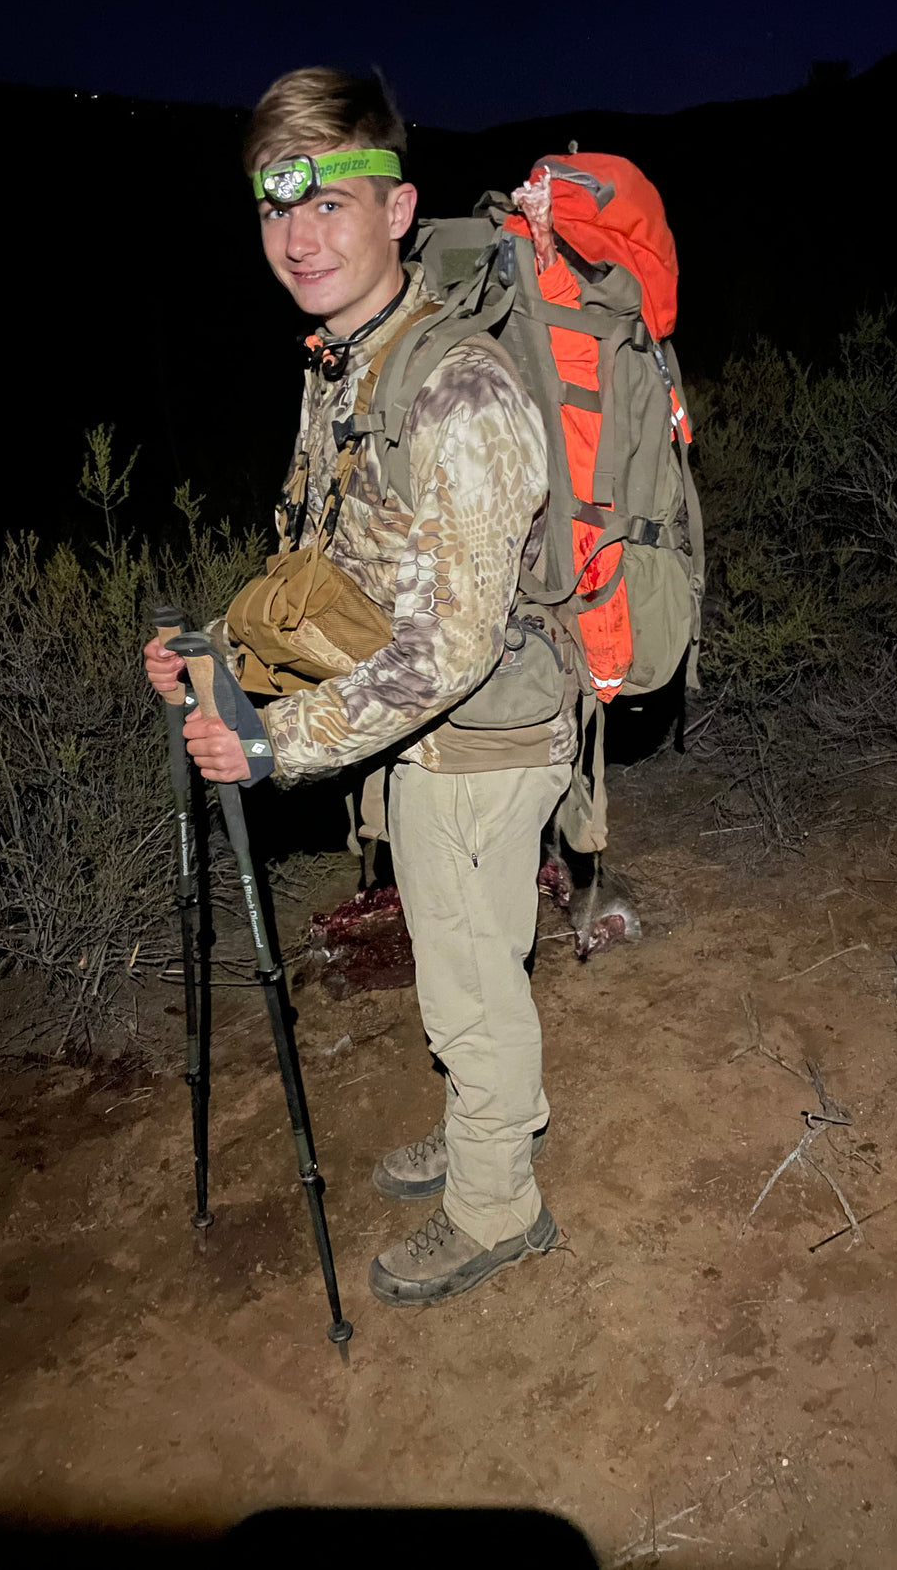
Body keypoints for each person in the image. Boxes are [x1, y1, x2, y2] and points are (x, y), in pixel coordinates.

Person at [144, 68, 577, 1307]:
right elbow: (329, 556)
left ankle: (499, 1203)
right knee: (468, 960)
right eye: (278, 210)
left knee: (467, 972)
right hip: (412, 724)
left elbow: (450, 646)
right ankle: (486, 1122)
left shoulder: (455, 386)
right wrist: (220, 649)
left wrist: (276, 744)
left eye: (332, 201)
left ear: (398, 211)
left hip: (479, 737)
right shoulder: (342, 362)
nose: (299, 235)